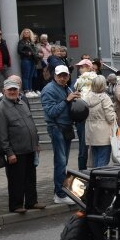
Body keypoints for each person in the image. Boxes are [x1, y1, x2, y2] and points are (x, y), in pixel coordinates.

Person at [0, 76, 44, 213]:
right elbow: (1, 135)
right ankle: (16, 205)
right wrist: (9, 152)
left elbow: (31, 124)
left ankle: (31, 202)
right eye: (10, 89)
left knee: (30, 177)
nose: (12, 92)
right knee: (16, 180)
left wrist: (36, 143)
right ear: (4, 90)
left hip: (29, 148)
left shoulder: (22, 103)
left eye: (14, 89)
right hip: (15, 151)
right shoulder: (0, 109)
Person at [41, 65, 78, 205]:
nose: (62, 78)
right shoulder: (48, 90)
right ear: (54, 76)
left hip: (66, 127)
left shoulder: (67, 88)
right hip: (56, 128)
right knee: (61, 161)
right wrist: (67, 100)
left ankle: (63, 191)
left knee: (64, 161)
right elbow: (51, 112)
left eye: (65, 75)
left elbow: (69, 106)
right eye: (60, 75)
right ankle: (59, 194)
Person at [84, 75, 117, 167]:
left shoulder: (87, 97)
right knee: (103, 161)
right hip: (104, 135)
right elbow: (110, 118)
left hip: (91, 133)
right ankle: (100, 180)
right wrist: (115, 113)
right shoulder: (105, 98)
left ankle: (94, 179)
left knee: (95, 159)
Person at [18, 28, 40, 98]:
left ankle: (30, 90)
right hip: (26, 60)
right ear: (23, 34)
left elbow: (35, 51)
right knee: (26, 76)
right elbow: (19, 51)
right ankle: (26, 91)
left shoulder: (31, 42)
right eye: (25, 32)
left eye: (28, 32)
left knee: (31, 76)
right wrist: (27, 53)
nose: (26, 33)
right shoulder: (21, 42)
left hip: (32, 60)